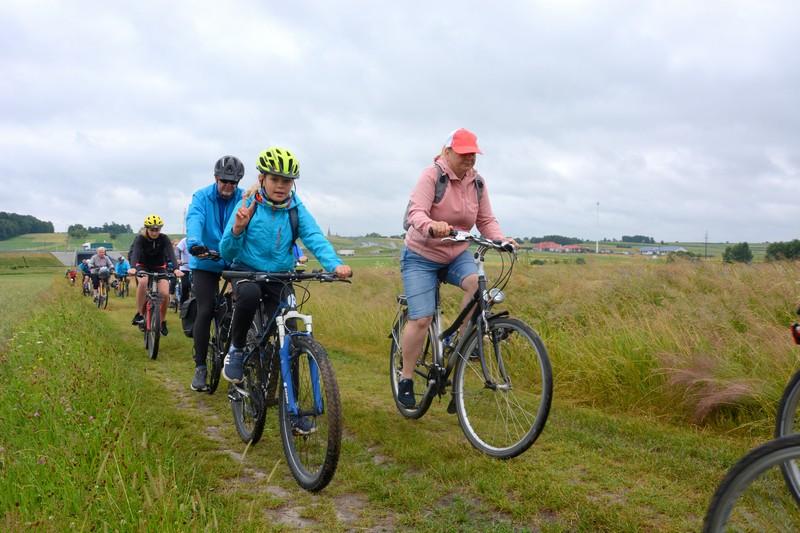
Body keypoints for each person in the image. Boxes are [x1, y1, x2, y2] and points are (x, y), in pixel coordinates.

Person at [397, 128, 517, 408]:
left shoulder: (477, 183)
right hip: (421, 255)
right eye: (464, 154)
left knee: (477, 286)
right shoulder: (432, 176)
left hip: (456, 253)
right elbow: (416, 212)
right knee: (422, 318)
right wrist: (431, 226)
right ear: (448, 152)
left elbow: (485, 220)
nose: (469, 159)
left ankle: (460, 342)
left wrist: (500, 240)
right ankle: (406, 377)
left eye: (473, 154)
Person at [219, 146, 351, 397]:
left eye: (287, 181)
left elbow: (314, 237)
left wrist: (334, 265)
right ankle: (236, 349)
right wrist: (237, 229)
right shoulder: (247, 204)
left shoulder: (296, 209)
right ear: (262, 179)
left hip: (280, 275)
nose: (281, 186)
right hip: (247, 270)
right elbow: (227, 251)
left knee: (291, 325)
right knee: (248, 295)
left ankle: (292, 406)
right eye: (275, 179)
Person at [185, 155, 245, 392]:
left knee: (243, 305)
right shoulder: (201, 197)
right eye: (224, 181)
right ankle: (200, 367)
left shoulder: (244, 198)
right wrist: (195, 243)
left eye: (233, 183)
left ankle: (238, 359)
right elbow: (195, 219)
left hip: (233, 259)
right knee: (206, 308)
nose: (228, 186)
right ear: (215, 178)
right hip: (205, 258)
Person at [128, 215, 183, 334]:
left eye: (157, 229)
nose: (154, 232)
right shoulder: (140, 238)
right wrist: (132, 267)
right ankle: (140, 314)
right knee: (143, 282)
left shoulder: (164, 239)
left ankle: (162, 321)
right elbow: (135, 253)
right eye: (152, 229)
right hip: (143, 265)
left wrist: (176, 269)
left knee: (165, 294)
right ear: (147, 229)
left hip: (159, 267)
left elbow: (171, 254)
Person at [174, 237, 192, 305]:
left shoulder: (199, 239)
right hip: (184, 267)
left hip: (195, 267)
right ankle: (183, 304)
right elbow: (177, 249)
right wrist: (178, 259)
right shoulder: (184, 240)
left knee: (196, 286)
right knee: (185, 285)